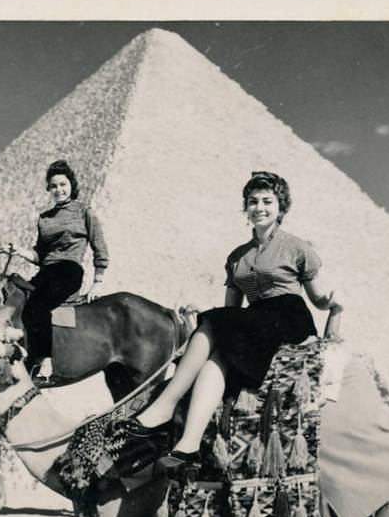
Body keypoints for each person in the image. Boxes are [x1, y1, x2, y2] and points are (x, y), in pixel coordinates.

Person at [131, 171, 341, 468]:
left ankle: (165, 405)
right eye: (253, 201)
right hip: (254, 321)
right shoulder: (236, 257)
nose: (260, 207)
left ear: (281, 207)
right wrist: (199, 313)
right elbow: (230, 310)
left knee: (217, 323)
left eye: (268, 201)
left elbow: (317, 299)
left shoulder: (297, 247)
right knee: (218, 353)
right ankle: (189, 444)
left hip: (288, 317)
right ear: (245, 207)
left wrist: (333, 304)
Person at [16, 160, 109, 381]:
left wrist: (98, 281)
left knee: (36, 307)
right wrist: (19, 251)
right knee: (15, 302)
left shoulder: (84, 211)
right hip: (46, 272)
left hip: (69, 270)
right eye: (54, 185)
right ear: (49, 189)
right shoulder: (44, 219)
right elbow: (41, 256)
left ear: (71, 185)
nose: (59, 189)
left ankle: (45, 363)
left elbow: (100, 247)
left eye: (63, 184)